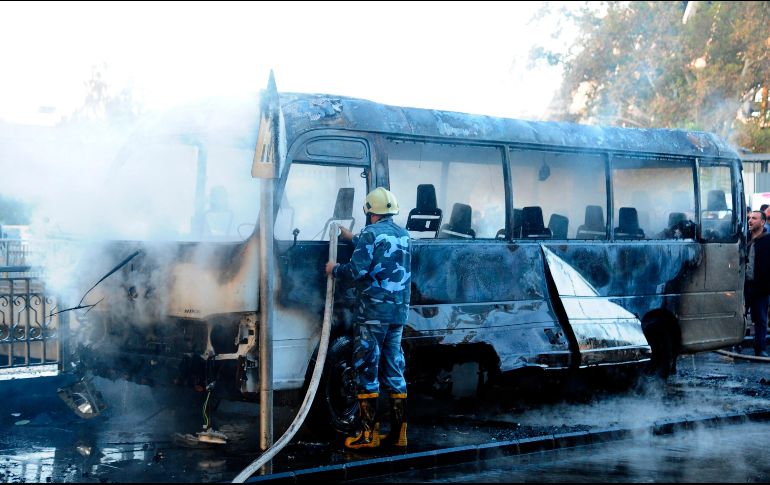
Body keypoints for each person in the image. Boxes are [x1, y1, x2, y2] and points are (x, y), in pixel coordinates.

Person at [325, 187, 412, 449]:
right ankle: (399, 434)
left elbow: (356, 270)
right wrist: (353, 238)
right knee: (394, 369)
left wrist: (335, 269)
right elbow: (380, 250)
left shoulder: (371, 234)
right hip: (398, 314)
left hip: (373, 315)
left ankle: (367, 435)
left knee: (366, 370)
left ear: (370, 212)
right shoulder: (404, 235)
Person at [745, 210, 770, 357]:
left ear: (762, 222)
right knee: (740, 316)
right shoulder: (743, 238)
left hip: (761, 287)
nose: (750, 221)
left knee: (760, 319)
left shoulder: (767, 240)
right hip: (744, 286)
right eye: (749, 218)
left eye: (754, 218)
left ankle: (760, 348)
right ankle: (735, 345)